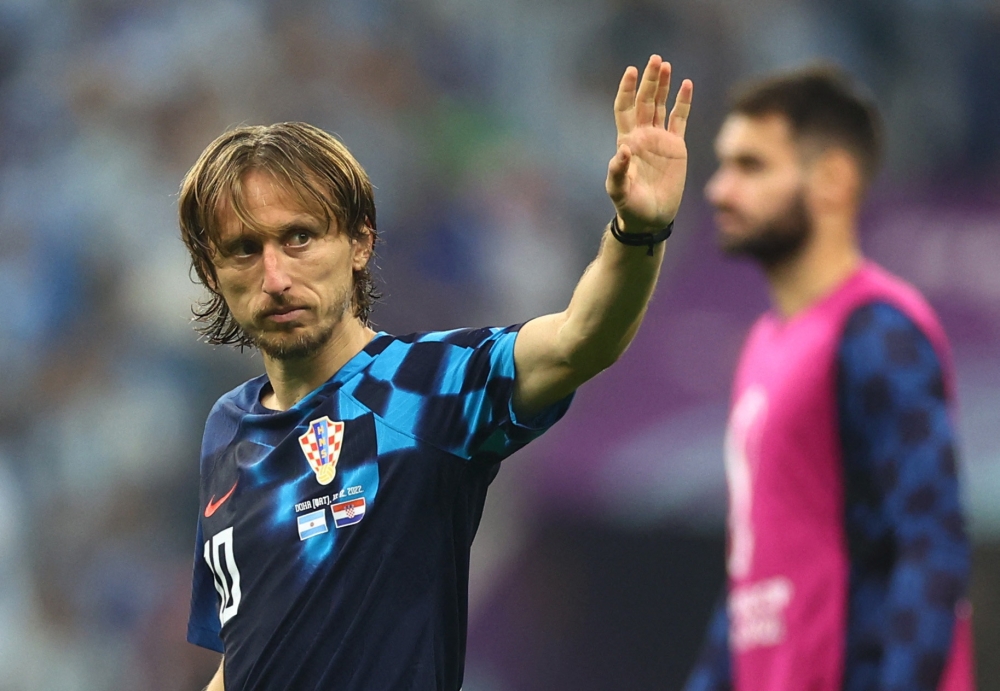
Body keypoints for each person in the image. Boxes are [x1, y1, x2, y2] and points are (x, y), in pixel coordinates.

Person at [179, 55, 692, 691]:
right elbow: (246, 656)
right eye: (244, 250)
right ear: (212, 271)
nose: (276, 276)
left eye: (301, 238)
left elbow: (580, 339)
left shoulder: (424, 385)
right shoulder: (228, 430)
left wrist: (639, 229)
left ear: (360, 242)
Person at [683, 67, 974, 691]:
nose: (718, 190)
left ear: (833, 180)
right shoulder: (763, 344)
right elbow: (753, 580)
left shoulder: (877, 333)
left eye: (751, 166)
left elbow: (929, 548)